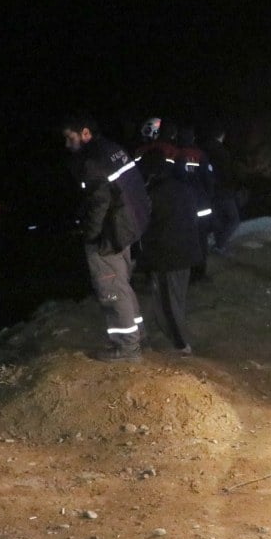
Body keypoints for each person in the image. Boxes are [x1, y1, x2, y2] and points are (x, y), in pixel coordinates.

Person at [60, 114, 151, 362]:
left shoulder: (92, 162)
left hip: (111, 233)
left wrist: (90, 236)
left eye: (70, 138)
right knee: (121, 283)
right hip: (130, 226)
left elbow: (98, 203)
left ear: (85, 133)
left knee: (111, 288)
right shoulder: (113, 149)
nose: (67, 144)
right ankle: (138, 335)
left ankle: (127, 348)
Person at [137, 144, 202, 356]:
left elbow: (143, 226)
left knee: (168, 304)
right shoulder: (183, 187)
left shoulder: (153, 193)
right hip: (187, 253)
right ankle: (178, 340)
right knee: (176, 300)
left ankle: (182, 346)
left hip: (167, 258)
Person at [176, 125, 214, 282]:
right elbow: (209, 180)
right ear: (193, 138)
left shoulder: (175, 154)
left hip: (182, 206)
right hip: (201, 205)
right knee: (201, 240)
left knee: (185, 239)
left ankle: (186, 272)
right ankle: (199, 273)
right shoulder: (200, 155)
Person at [200, 121, 243, 256]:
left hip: (208, 192)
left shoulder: (203, 150)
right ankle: (220, 245)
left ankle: (218, 245)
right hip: (223, 191)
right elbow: (227, 174)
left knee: (218, 220)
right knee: (233, 220)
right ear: (222, 135)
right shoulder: (222, 152)